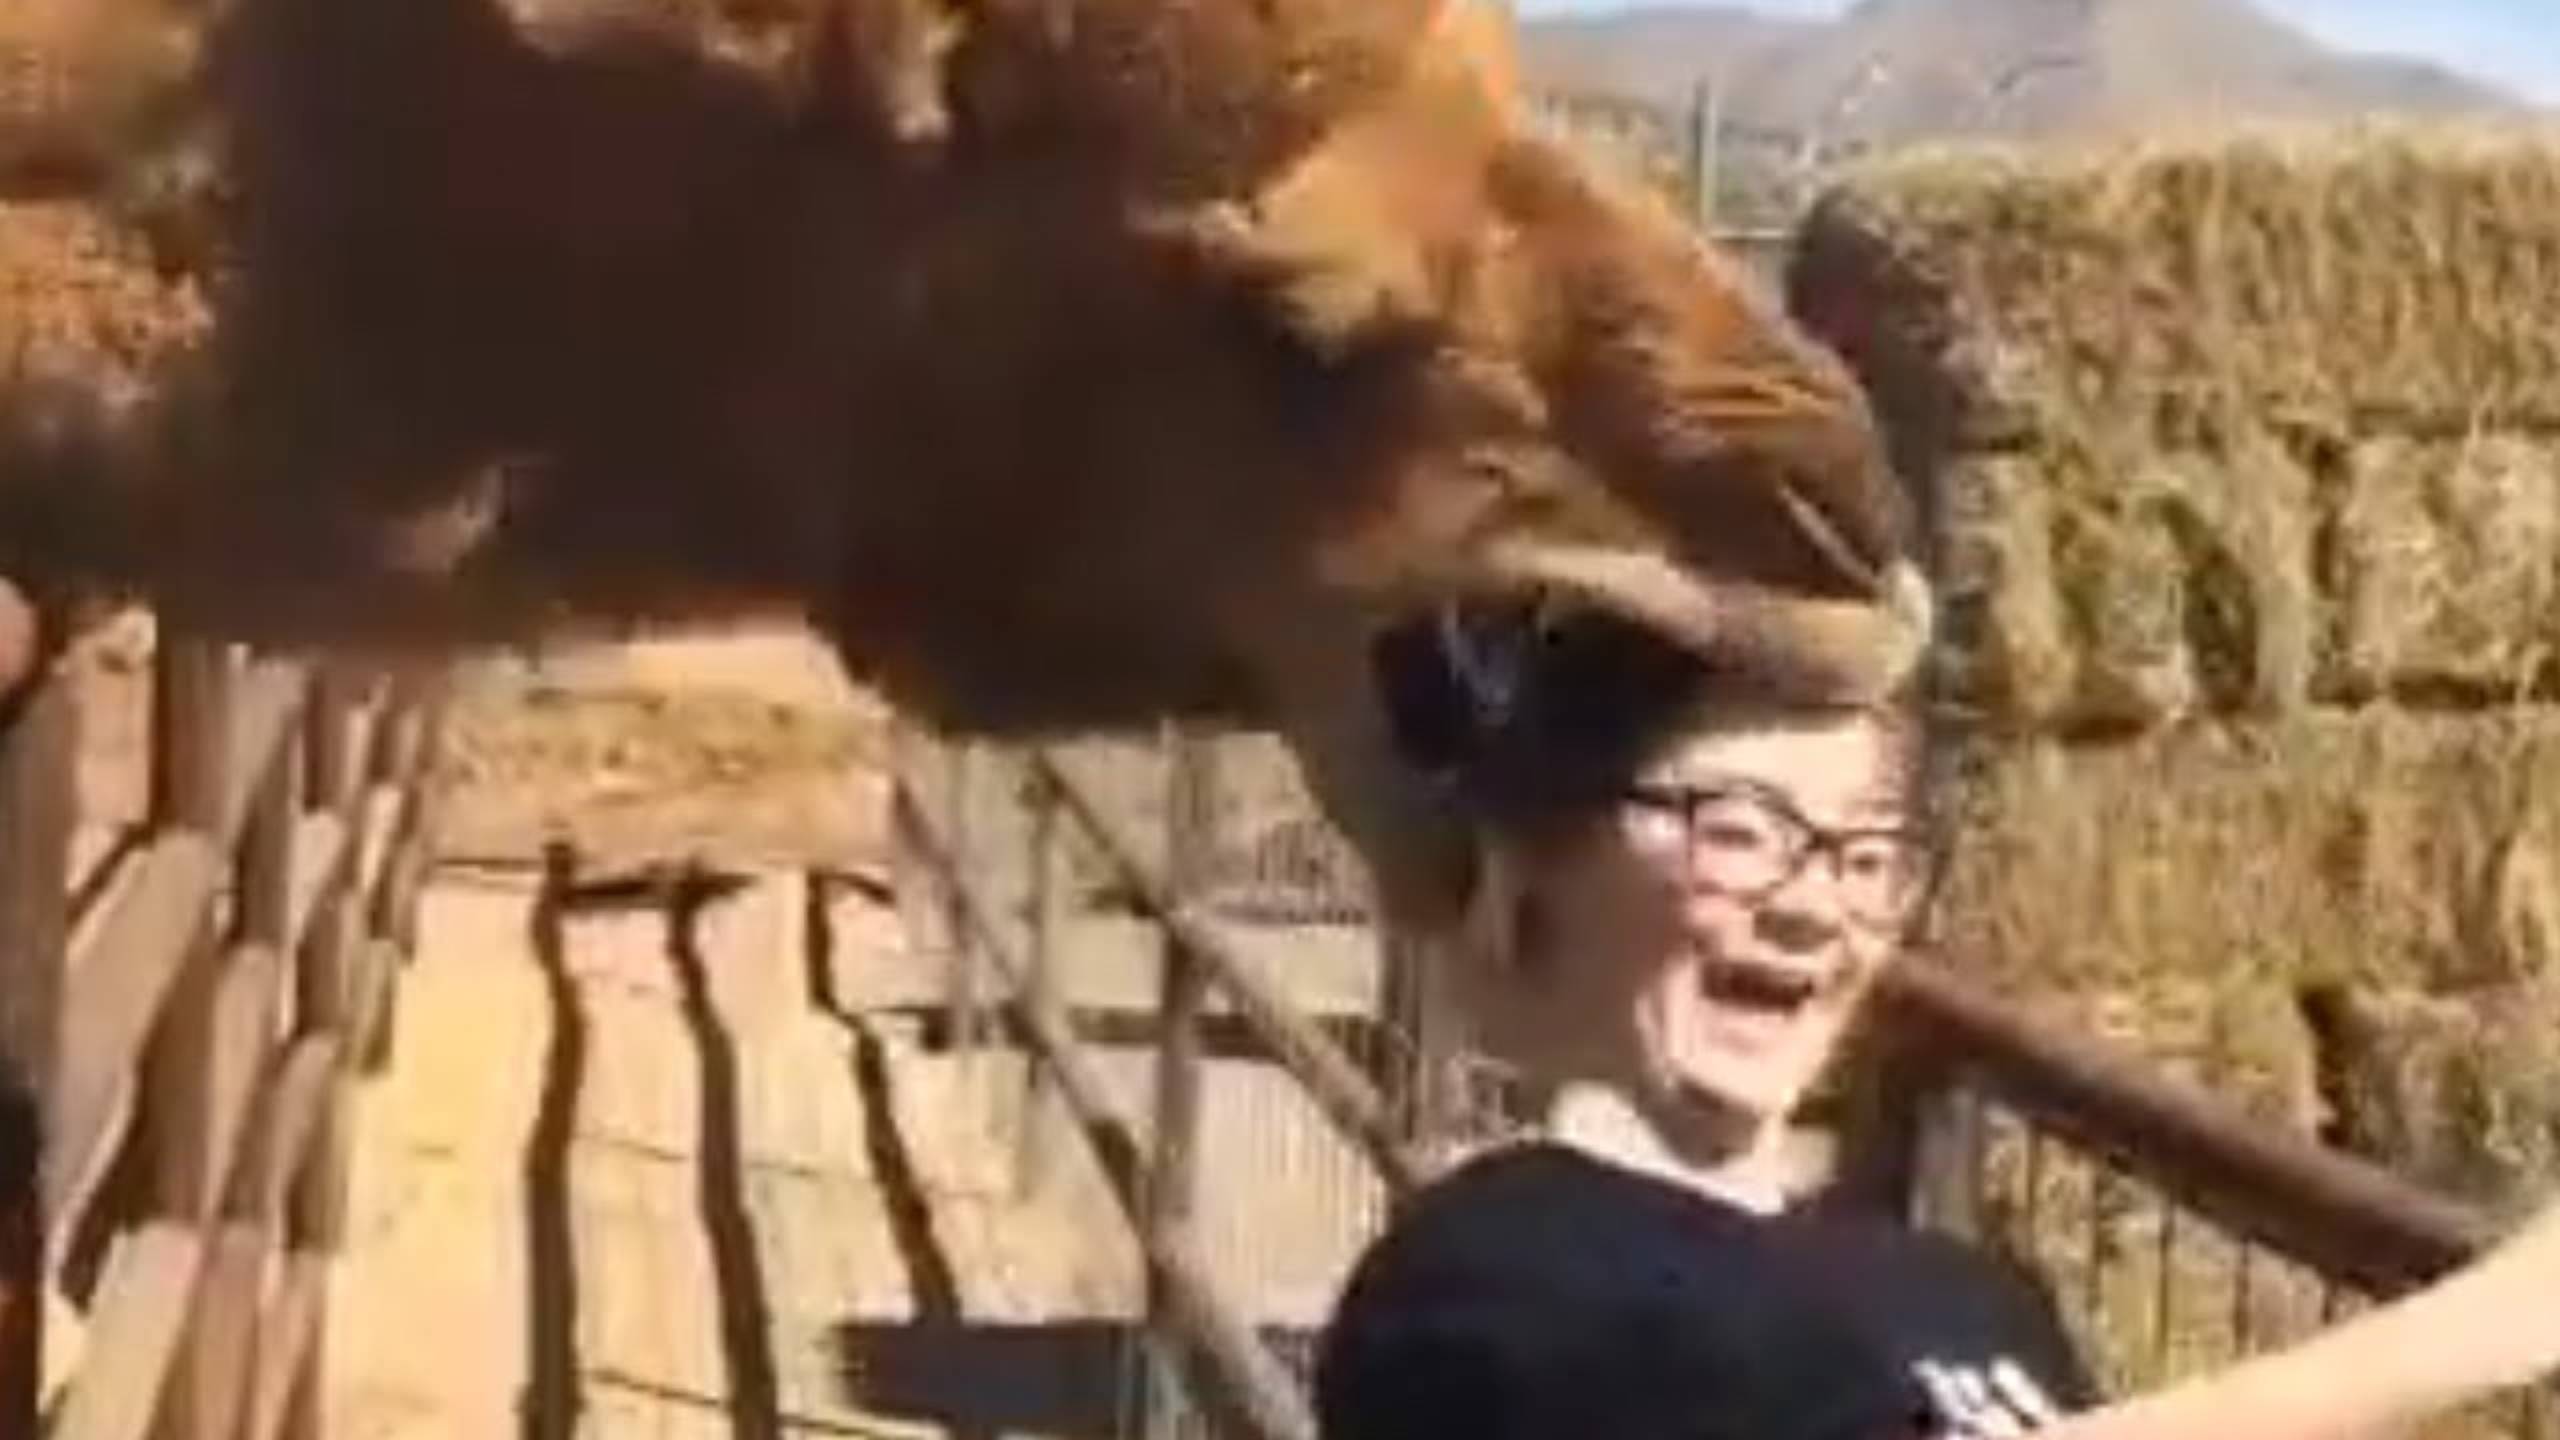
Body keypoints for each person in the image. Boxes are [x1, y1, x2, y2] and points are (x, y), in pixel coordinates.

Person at [1315, 596, 2560, 1440]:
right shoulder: (1484, 1279)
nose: (1813, 904)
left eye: (1865, 855)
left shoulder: (1971, 1296)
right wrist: (2481, 1328)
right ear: (1533, 869)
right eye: (1737, 830)